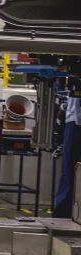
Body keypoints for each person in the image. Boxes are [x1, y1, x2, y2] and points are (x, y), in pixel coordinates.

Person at [53, 79, 81, 218]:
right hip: (74, 122)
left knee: (70, 172)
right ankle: (64, 214)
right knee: (70, 172)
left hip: (75, 124)